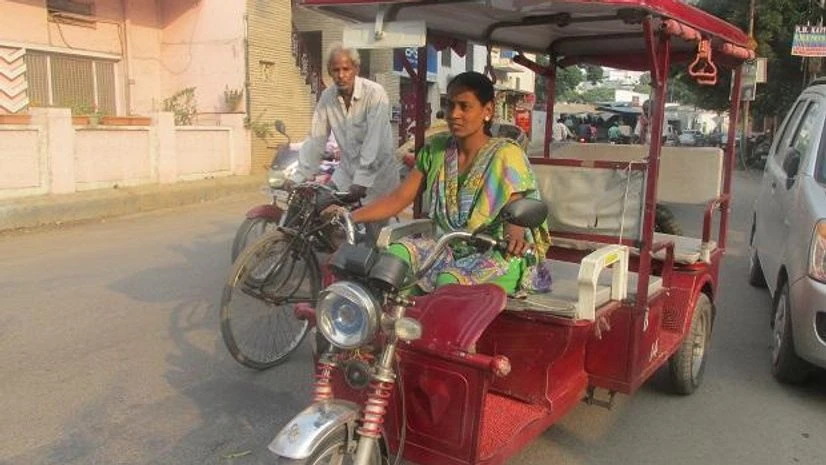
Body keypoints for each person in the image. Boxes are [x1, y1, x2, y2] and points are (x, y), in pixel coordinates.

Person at [336, 72, 552, 295]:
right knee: (393, 259)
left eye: (464, 106)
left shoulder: (507, 155)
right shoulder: (436, 149)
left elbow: (515, 211)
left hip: (497, 250)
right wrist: (348, 216)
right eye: (450, 105)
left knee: (449, 282)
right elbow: (398, 199)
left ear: (487, 111)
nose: (454, 114)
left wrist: (513, 237)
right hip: (447, 246)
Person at [289, 44, 399, 240]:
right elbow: (316, 138)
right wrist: (299, 176)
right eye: (336, 70)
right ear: (330, 72)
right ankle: (338, 246)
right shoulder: (327, 97)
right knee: (317, 205)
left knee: (376, 236)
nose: (341, 75)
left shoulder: (375, 93)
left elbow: (374, 141)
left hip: (378, 176)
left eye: (346, 69)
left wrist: (362, 181)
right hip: (346, 172)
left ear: (356, 69)